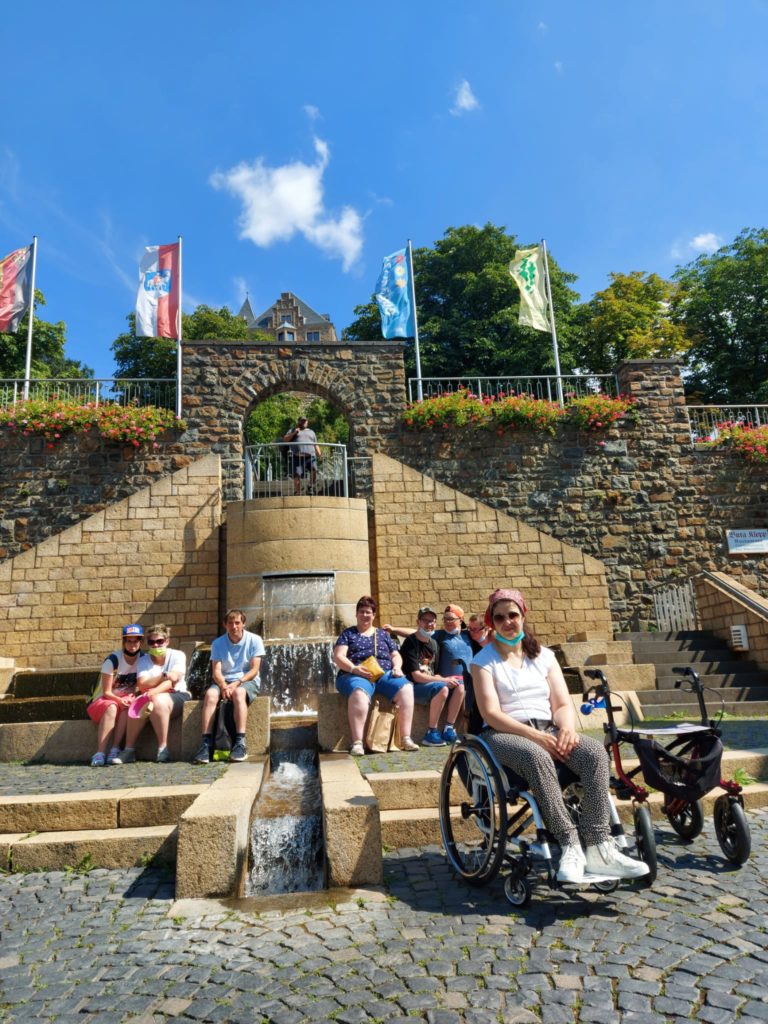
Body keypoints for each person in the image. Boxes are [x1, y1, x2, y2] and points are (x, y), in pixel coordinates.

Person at [472, 588, 649, 884]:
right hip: (504, 733)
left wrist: (566, 728)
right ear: (492, 621)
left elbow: (563, 703)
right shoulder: (483, 661)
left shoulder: (544, 656)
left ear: (523, 616)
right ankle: (569, 845)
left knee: (594, 753)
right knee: (536, 755)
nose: (507, 622)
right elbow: (490, 713)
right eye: (499, 617)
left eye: (512, 615)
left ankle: (598, 845)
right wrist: (535, 736)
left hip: (550, 728)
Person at [333, 595, 419, 756]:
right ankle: (357, 742)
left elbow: (395, 655)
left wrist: (398, 667)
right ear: (356, 614)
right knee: (359, 692)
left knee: (406, 687)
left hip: (384, 674)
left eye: (368, 612)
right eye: (362, 612)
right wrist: (354, 669)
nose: (365, 615)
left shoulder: (383, 635)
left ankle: (405, 738)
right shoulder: (348, 634)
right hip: (355, 675)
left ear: (374, 615)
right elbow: (339, 656)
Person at [192, 609, 265, 764]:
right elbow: (216, 671)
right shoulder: (218, 643)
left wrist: (237, 682)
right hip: (223, 682)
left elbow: (254, 670)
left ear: (243, 624)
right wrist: (224, 686)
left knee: (239, 693)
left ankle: (240, 743)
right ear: (225, 625)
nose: (234, 626)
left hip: (246, 681)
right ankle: (205, 744)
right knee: (211, 695)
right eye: (230, 623)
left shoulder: (255, 640)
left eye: (237, 622)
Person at [119, 623, 190, 763]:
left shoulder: (177, 655)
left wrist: (154, 690)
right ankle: (128, 750)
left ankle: (163, 749)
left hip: (179, 694)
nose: (156, 645)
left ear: (167, 641)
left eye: (160, 641)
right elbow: (142, 684)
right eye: (152, 642)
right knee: (136, 704)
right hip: (151, 697)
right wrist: (163, 676)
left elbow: (174, 679)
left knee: (157, 700)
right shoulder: (144, 660)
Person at [399, 606, 465, 746]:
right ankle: (431, 732)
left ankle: (448, 729)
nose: (429, 624)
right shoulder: (410, 643)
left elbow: (433, 672)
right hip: (412, 687)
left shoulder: (433, 643)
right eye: (425, 620)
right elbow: (416, 676)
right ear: (418, 622)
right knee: (443, 688)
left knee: (460, 686)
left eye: (432, 621)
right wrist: (443, 680)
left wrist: (450, 679)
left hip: (430, 685)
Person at [87, 623, 144, 767]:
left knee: (127, 706)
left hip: (123, 700)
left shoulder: (144, 659)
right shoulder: (112, 660)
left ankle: (115, 749)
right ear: (123, 642)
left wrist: (132, 696)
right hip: (101, 701)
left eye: (136, 641)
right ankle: (100, 753)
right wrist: (119, 700)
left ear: (140, 642)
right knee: (112, 706)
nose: (132, 644)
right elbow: (106, 692)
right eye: (129, 641)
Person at [283, 416, 321, 495]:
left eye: (305, 421)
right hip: (297, 457)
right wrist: (294, 433)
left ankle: (310, 486)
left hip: (310, 456)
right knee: (297, 474)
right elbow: (285, 439)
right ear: (299, 422)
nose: (303, 423)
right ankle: (298, 492)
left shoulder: (311, 432)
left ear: (307, 422)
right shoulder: (293, 430)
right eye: (302, 421)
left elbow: (315, 444)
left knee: (314, 470)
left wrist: (319, 454)